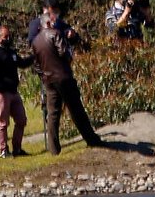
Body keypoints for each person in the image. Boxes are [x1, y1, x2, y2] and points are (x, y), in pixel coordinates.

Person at [31, 13, 103, 155]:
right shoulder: (55, 34)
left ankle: (54, 149)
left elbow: (36, 65)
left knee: (53, 114)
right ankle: (91, 139)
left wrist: (44, 75)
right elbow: (63, 52)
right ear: (49, 23)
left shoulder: (35, 42)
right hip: (63, 77)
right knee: (76, 109)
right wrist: (69, 60)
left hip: (49, 80)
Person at [0, 26, 34, 158]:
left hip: (13, 92)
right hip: (0, 93)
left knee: (21, 120)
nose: (8, 39)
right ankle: (3, 150)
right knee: (3, 122)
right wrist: (0, 88)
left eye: (9, 36)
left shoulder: (11, 52)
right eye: (5, 37)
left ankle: (17, 148)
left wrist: (34, 57)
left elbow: (22, 63)